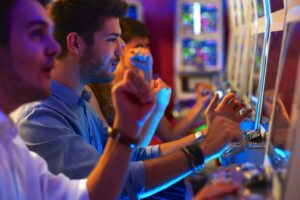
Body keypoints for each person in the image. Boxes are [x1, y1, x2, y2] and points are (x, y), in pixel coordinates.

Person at [11, 0, 246, 198]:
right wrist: (204, 150)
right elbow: (116, 186)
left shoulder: (80, 99)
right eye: (112, 38)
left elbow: (132, 156)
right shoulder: (39, 117)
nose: (121, 49)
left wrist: (206, 135)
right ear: (75, 43)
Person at [0, 0, 155, 199]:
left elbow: (85, 194)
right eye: (36, 34)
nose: (54, 48)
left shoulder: (10, 139)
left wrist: (127, 128)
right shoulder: (35, 117)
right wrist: (198, 153)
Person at [87, 17, 215, 145]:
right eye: (138, 46)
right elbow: (123, 151)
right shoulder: (96, 86)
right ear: (120, 47)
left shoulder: (140, 82)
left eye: (147, 46)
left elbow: (170, 134)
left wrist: (201, 104)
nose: (145, 52)